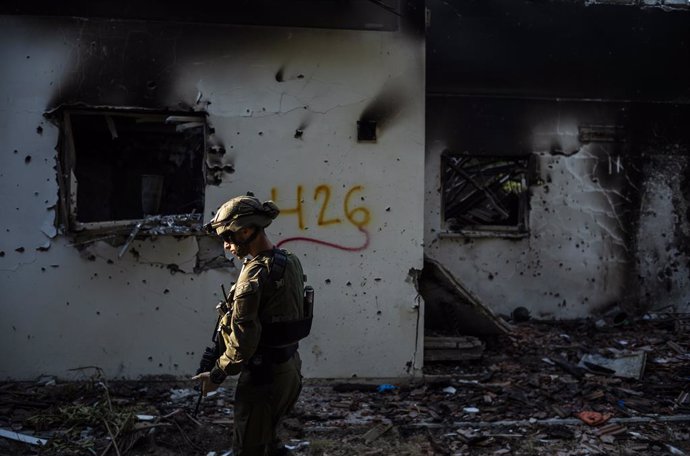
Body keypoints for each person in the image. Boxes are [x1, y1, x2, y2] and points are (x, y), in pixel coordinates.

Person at [193, 195, 310, 456]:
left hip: (264, 376)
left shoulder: (256, 273)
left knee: (248, 448)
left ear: (246, 231)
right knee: (269, 441)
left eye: (229, 238)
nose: (226, 247)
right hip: (289, 369)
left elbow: (245, 341)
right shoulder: (288, 260)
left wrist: (216, 375)